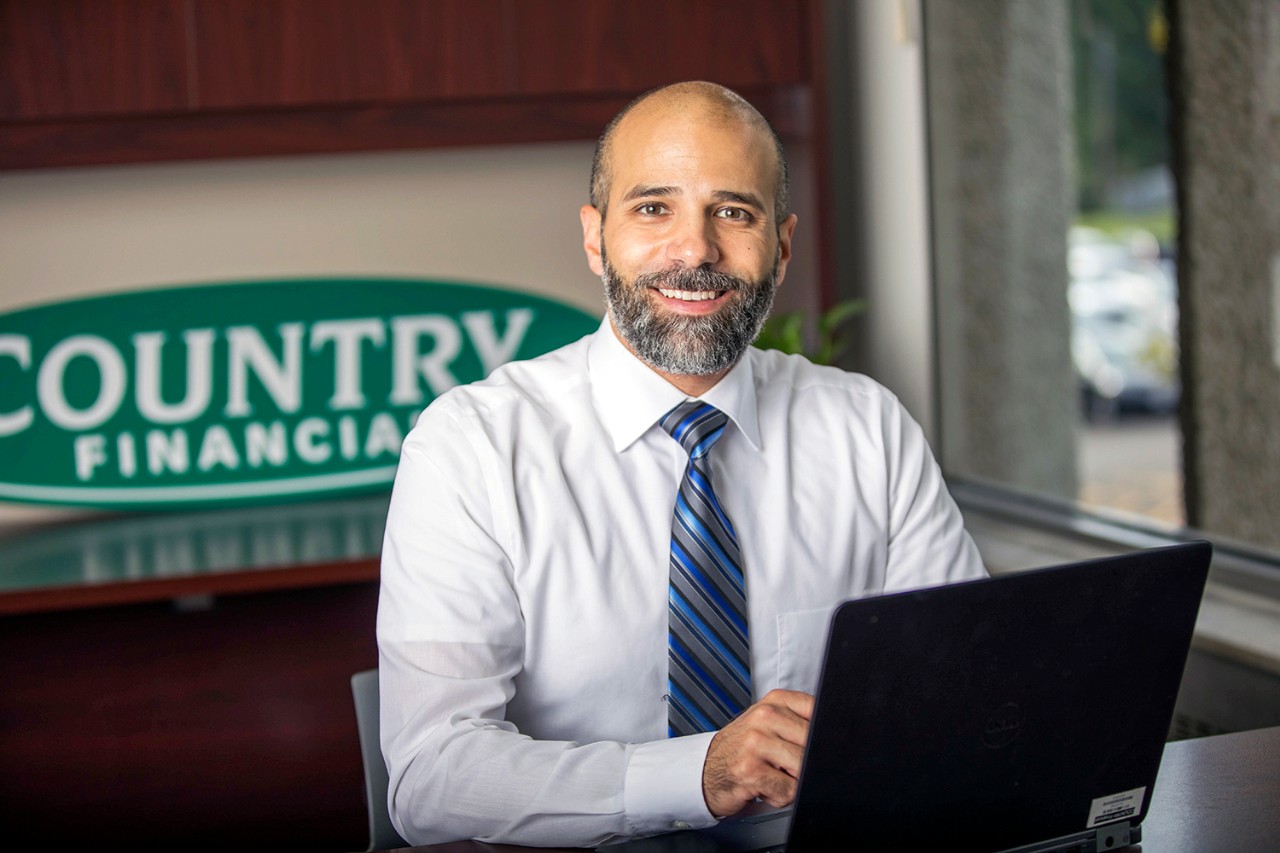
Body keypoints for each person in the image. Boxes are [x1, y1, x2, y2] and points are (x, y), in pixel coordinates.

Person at [377, 80, 986, 848]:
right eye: (653, 208)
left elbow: (965, 692)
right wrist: (698, 773)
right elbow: (432, 776)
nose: (695, 249)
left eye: (734, 212)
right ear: (596, 237)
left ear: (783, 245)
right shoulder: (471, 447)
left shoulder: (869, 427)